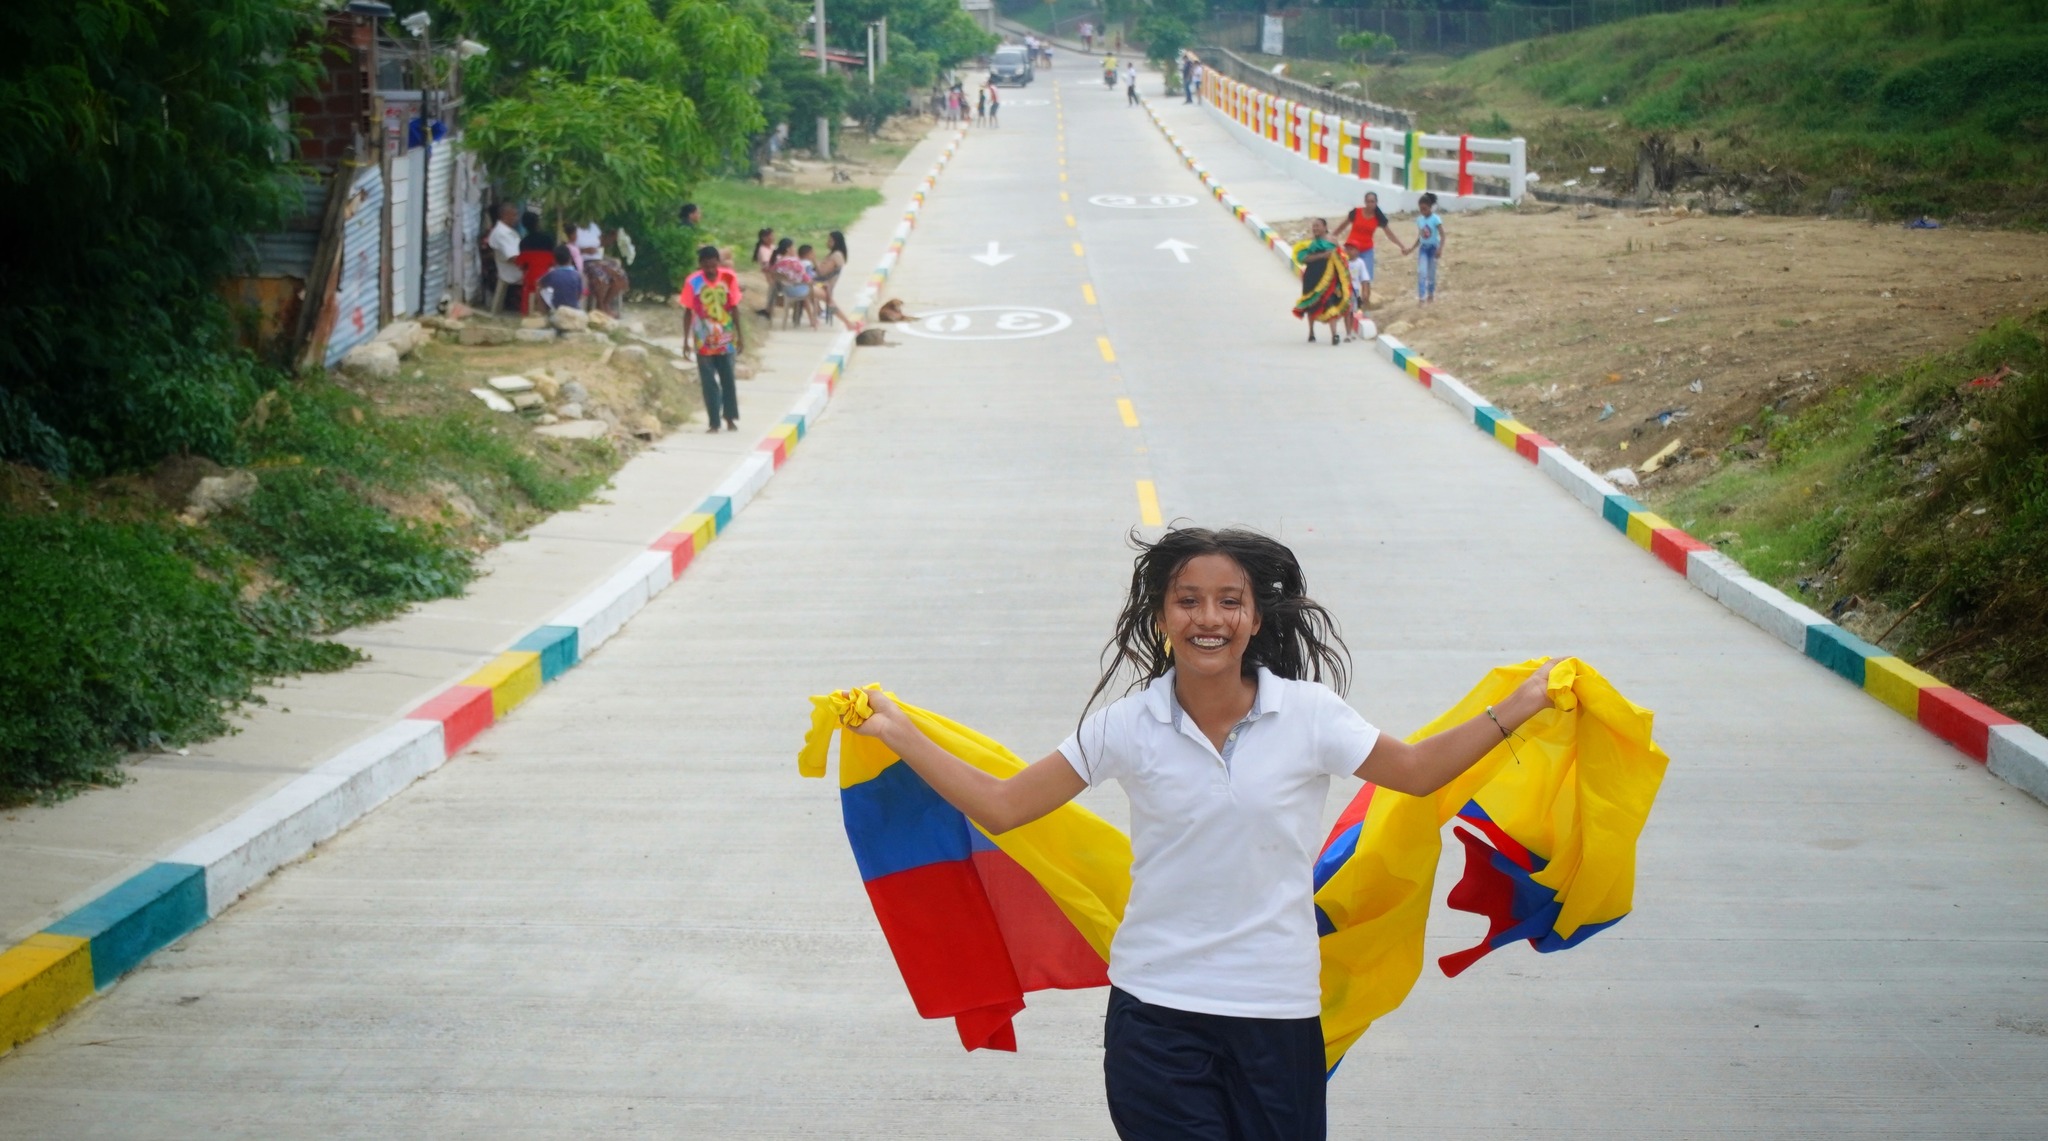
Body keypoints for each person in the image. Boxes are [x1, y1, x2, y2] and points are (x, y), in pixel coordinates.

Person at [845, 527, 1558, 1141]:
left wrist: (1518, 706)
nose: (1207, 617)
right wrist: (902, 734)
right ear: (1161, 616)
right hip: (1157, 1011)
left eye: (1229, 600)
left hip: (1276, 1014)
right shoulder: (1128, 725)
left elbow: (1416, 770)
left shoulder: (1311, 715)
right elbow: (1003, 806)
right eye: (1188, 600)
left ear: (1254, 617)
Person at [679, 245, 744, 433]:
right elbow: (687, 311)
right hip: (703, 339)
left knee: (728, 379)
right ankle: (714, 421)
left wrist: (740, 336)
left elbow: (734, 307)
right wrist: (686, 340)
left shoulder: (728, 278)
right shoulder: (693, 282)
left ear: (718, 263)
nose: (709, 270)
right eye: (705, 266)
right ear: (700, 265)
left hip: (726, 337)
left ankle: (730, 417)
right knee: (708, 382)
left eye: (712, 265)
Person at [1331, 190, 1410, 312]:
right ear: (1365, 202)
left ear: (1376, 203)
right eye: (1368, 201)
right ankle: (1344, 300)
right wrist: (1332, 236)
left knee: (1366, 278)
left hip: (1366, 250)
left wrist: (1401, 246)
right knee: (1347, 275)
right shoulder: (1356, 212)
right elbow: (1343, 225)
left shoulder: (1378, 218)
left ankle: (1365, 302)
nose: (1370, 204)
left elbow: (1389, 234)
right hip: (1350, 250)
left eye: (1372, 202)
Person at [1291, 218, 1353, 346]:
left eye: (1318, 226)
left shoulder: (1333, 241)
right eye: (1314, 226)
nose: (1315, 228)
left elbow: (1341, 258)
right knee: (1311, 304)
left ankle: (1334, 335)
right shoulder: (1309, 243)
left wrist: (1342, 279)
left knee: (1330, 302)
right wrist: (1321, 256)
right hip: (1312, 276)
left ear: (1325, 227)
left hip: (1329, 277)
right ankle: (1311, 332)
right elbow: (1303, 258)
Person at [484, 203, 522, 314]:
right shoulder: (502, 233)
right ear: (505, 216)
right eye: (514, 215)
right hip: (513, 270)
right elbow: (512, 258)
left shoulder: (507, 231)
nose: (517, 218)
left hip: (516, 267)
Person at [773, 243, 819, 330]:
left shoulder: (778, 261)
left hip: (784, 289)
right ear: (788, 249)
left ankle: (810, 319)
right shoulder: (793, 262)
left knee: (807, 291)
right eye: (793, 247)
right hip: (794, 289)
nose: (795, 249)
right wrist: (811, 282)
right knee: (811, 292)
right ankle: (814, 320)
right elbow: (804, 276)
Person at [1413, 192, 1446, 302]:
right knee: (1422, 272)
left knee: (1431, 274)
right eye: (1421, 209)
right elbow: (1420, 237)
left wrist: (1440, 248)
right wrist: (1412, 248)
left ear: (1430, 207)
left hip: (1433, 248)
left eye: (1425, 209)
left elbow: (1442, 234)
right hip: (1423, 248)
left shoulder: (1436, 219)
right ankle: (1422, 296)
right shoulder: (1419, 220)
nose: (1423, 211)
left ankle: (1430, 294)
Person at [535, 244, 583, 314]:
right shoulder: (577, 275)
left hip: (558, 308)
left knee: (539, 289)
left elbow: (539, 283)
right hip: (574, 308)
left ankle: (542, 314)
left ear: (554, 260)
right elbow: (579, 295)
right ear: (570, 259)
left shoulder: (553, 273)